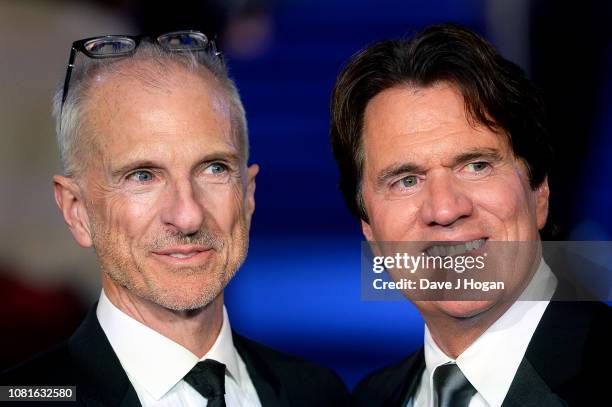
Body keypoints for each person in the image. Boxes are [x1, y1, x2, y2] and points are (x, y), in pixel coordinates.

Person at [1, 31, 349, 406]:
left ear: (248, 194)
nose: (187, 216)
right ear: (76, 210)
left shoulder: (317, 393)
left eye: (214, 168)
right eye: (143, 176)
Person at [330, 24, 610, 406]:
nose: (445, 209)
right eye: (406, 180)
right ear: (370, 232)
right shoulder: (367, 399)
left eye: (476, 166)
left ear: (539, 190)